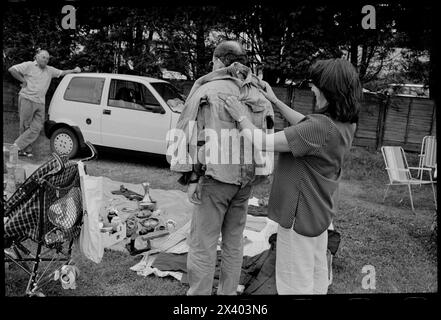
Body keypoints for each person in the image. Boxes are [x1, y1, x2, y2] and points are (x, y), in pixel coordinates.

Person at [223, 58, 361, 294]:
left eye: (315, 84)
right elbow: (304, 124)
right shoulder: (345, 124)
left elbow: (264, 142)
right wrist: (275, 100)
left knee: (293, 284)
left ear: (329, 89)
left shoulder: (320, 128)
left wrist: (240, 116)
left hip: (300, 217)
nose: (312, 88)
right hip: (319, 215)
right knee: (316, 275)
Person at [169, 40, 274, 295]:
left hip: (214, 180)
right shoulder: (259, 92)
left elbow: (187, 132)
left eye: (213, 60)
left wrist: (191, 177)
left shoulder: (206, 89)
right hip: (245, 181)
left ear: (218, 60)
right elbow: (268, 134)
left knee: (203, 244)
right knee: (234, 243)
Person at [8, 49, 81, 157]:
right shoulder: (29, 65)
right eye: (43, 57)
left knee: (37, 127)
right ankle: (25, 150)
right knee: (25, 126)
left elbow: (62, 72)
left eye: (47, 58)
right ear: (36, 57)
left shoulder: (50, 70)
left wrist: (74, 70)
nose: (46, 60)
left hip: (40, 102)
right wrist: (23, 80)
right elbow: (12, 69)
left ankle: (16, 146)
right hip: (27, 98)